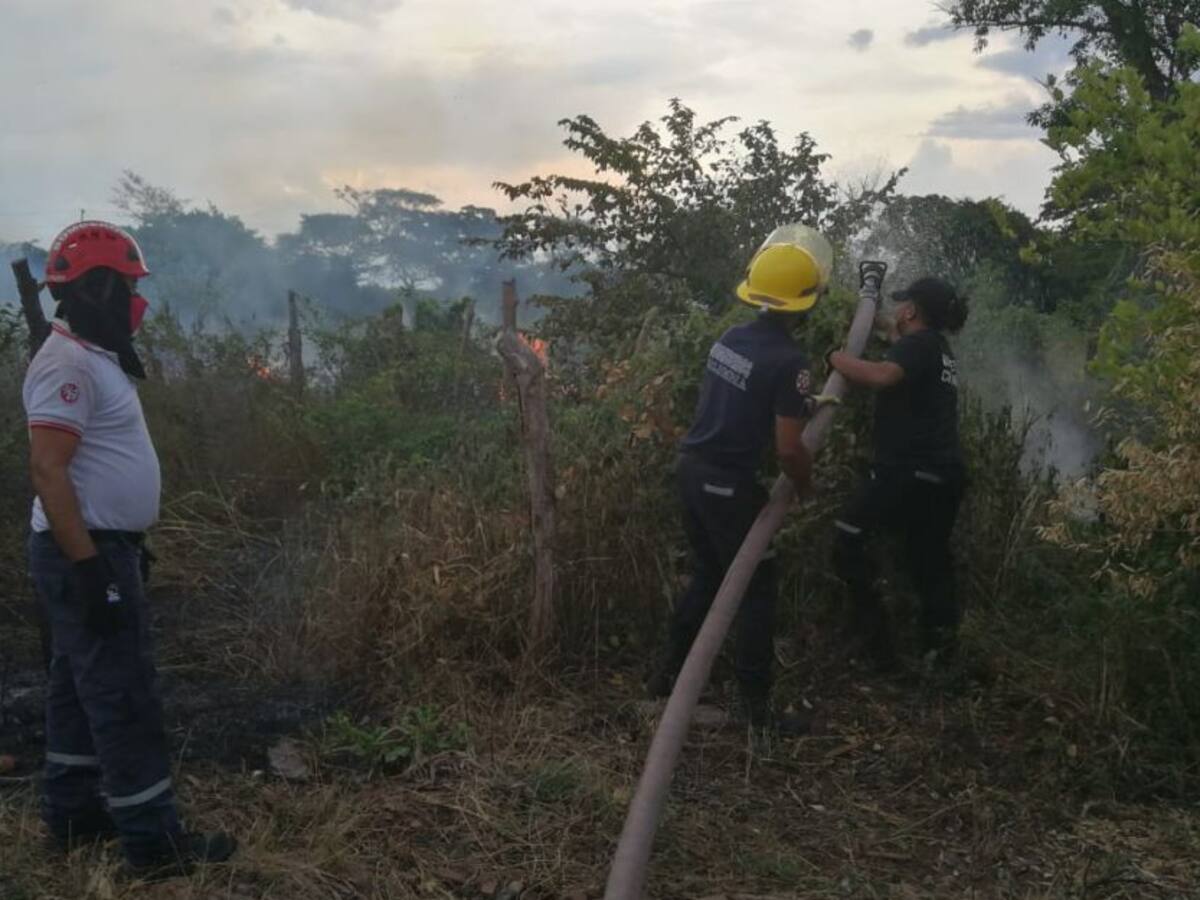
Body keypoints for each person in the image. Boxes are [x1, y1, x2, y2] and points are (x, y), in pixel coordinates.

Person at [23, 221, 236, 877]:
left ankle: (73, 813)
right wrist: (91, 568)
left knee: (76, 686)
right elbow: (49, 470)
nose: (135, 301)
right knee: (123, 692)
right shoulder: (66, 364)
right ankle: (153, 845)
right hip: (85, 553)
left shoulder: (91, 356)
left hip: (100, 547)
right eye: (127, 286)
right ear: (97, 288)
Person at [647, 225, 830, 733]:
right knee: (755, 589)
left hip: (692, 472)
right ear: (807, 302)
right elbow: (789, 449)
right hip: (728, 486)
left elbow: (745, 397)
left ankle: (665, 680)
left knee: (709, 573)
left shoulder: (731, 338)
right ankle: (757, 714)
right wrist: (806, 487)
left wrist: (802, 403)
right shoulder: (790, 361)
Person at [826, 276, 969, 671]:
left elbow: (882, 375)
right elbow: (894, 336)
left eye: (902, 305)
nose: (898, 311)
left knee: (848, 537)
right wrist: (866, 311)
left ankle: (877, 644)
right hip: (943, 475)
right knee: (929, 563)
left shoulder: (917, 345)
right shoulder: (938, 348)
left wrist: (835, 358)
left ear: (911, 310)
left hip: (908, 471)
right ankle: (939, 655)